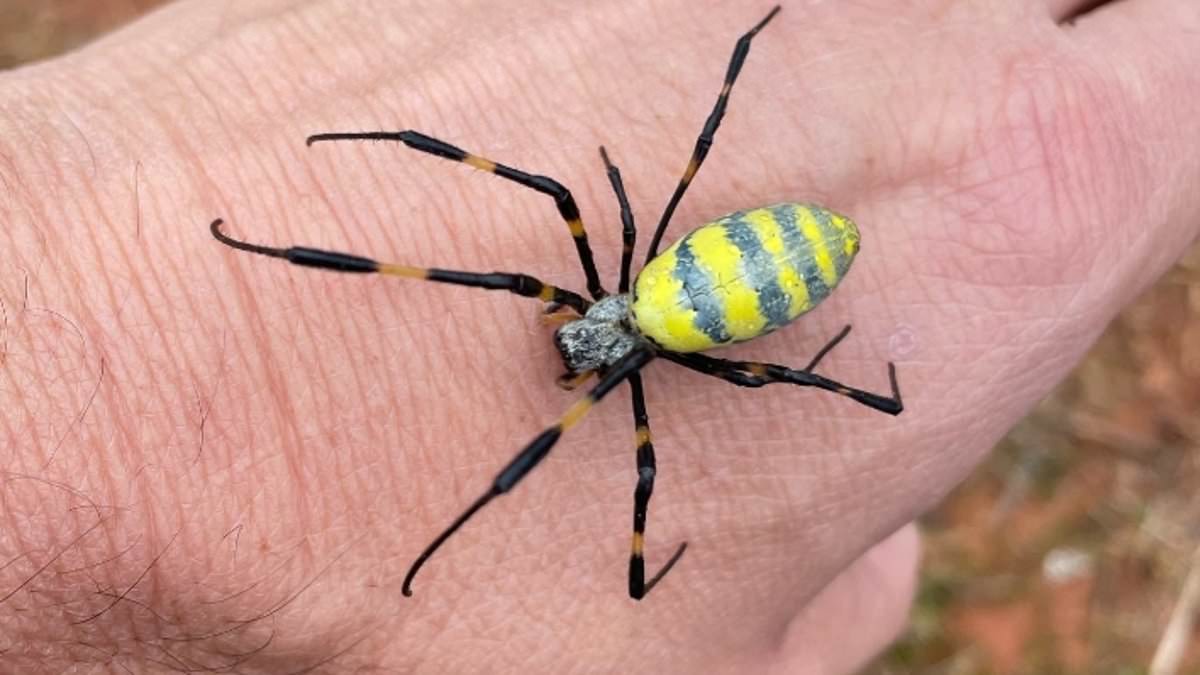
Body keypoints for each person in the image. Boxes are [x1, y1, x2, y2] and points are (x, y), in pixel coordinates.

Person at [2, 1, 1197, 672]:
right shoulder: (616, 281)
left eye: (588, 341)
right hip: (697, 289)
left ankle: (439, 525)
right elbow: (597, 178)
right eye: (588, 339)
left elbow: (525, 241)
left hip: (721, 286)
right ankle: (282, 257)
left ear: (598, 326)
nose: (577, 347)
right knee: (580, 260)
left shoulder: (599, 312)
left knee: (555, 289)